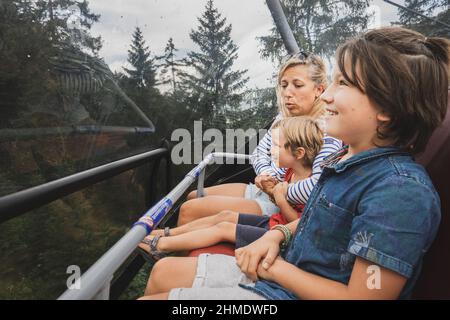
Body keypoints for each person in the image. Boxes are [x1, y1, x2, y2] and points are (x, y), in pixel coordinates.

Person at [139, 27, 449, 300]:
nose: (325, 95)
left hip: (288, 285)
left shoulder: (400, 195)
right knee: (163, 273)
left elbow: (363, 297)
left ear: (387, 109)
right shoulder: (349, 161)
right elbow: (325, 219)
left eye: (343, 83)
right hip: (288, 272)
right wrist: (278, 235)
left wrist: (274, 270)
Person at [173, 53, 342, 226]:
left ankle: (164, 246)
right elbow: (259, 153)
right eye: (284, 85)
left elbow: (319, 186)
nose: (287, 93)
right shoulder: (282, 118)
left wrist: (276, 191)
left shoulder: (328, 130)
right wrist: (266, 175)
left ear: (319, 90)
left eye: (297, 85)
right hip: (264, 189)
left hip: (284, 203)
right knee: (193, 195)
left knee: (189, 210)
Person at [138, 117, 323, 259]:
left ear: (299, 153)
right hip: (274, 221)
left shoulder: (311, 186)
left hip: (281, 235)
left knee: (224, 228)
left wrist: (281, 200)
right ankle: (166, 234)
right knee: (223, 216)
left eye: (276, 147)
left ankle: (161, 246)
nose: (270, 151)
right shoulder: (290, 172)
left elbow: (300, 224)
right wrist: (275, 193)